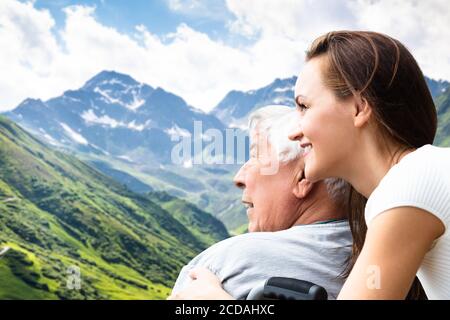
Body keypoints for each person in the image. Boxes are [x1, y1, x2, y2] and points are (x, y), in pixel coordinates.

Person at [169, 31, 450, 300]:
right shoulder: (413, 182)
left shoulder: (412, 182)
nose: (294, 131)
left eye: (304, 106)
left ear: (358, 107)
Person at [169, 105, 352, 300]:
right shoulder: (377, 252)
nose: (238, 178)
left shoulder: (225, 266)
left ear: (303, 178)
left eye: (256, 156)